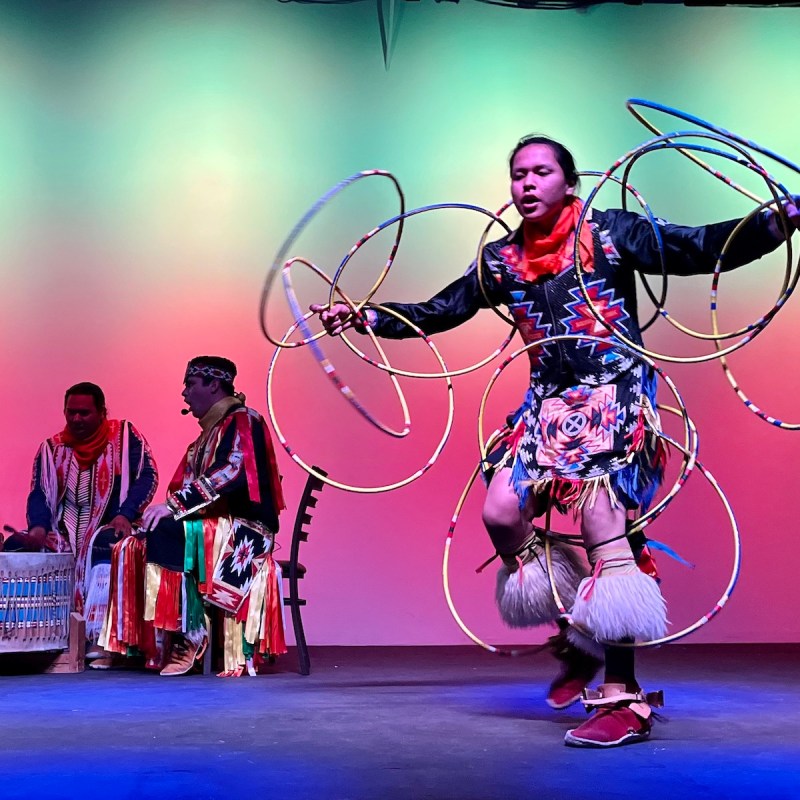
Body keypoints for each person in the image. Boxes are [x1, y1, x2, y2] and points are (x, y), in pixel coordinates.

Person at [312, 136, 799, 747]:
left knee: (608, 534)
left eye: (541, 172)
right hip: (544, 409)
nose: (527, 183)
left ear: (568, 182)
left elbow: (701, 248)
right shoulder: (500, 260)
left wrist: (780, 218)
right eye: (518, 174)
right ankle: (577, 635)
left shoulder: (613, 232)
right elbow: (441, 309)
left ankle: (622, 697)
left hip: (615, 400)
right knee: (500, 513)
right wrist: (368, 316)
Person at [105, 356, 287, 677]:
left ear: (214, 385)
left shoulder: (244, 421)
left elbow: (232, 472)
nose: (184, 393)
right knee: (137, 541)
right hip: (215, 524)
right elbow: (192, 484)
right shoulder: (208, 434)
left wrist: (174, 507)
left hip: (245, 530)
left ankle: (190, 635)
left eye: (190, 384)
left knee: (169, 531)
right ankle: (137, 644)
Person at [5, 382, 158, 667]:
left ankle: (102, 640)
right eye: (71, 412)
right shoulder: (51, 449)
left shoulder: (124, 436)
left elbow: (146, 476)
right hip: (64, 532)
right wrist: (38, 527)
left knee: (107, 543)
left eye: (84, 413)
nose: (76, 419)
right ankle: (33, 638)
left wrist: (125, 513)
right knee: (16, 546)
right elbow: (39, 491)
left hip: (111, 526)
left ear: (101, 412)